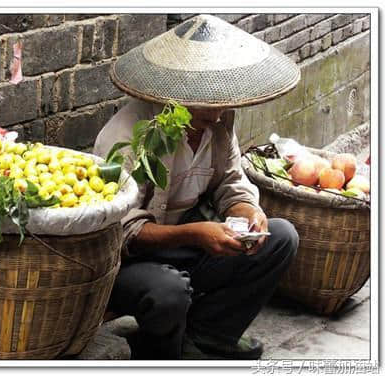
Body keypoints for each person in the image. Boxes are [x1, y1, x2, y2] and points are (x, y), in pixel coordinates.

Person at [93, 15, 301, 360]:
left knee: (281, 238)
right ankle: (164, 354)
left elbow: (231, 182)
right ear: (177, 99)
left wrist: (247, 212)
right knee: (169, 292)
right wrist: (196, 234)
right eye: (207, 114)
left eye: (221, 110)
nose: (217, 119)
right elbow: (124, 232)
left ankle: (205, 337)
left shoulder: (218, 120)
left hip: (187, 243)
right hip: (130, 263)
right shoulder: (130, 133)